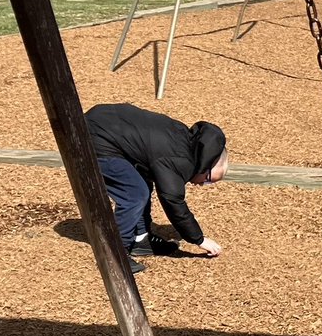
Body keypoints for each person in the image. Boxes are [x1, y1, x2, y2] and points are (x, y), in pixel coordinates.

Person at [84, 103, 229, 275]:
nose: (203, 185)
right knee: (134, 194)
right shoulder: (179, 160)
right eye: (209, 180)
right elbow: (173, 201)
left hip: (105, 125)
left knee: (142, 181)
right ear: (205, 166)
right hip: (97, 138)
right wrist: (199, 239)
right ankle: (115, 255)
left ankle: (140, 240)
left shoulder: (185, 142)